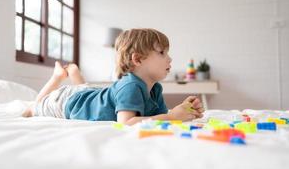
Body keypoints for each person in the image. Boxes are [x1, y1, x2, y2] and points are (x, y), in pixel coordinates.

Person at [23, 28, 204, 125]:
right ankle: (57, 77)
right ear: (138, 59)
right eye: (163, 53)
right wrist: (172, 117)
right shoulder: (131, 86)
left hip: (92, 94)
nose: (170, 58)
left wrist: (182, 110)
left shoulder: (154, 87)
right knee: (37, 106)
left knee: (86, 89)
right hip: (69, 103)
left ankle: (75, 75)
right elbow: (127, 122)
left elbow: (159, 116)